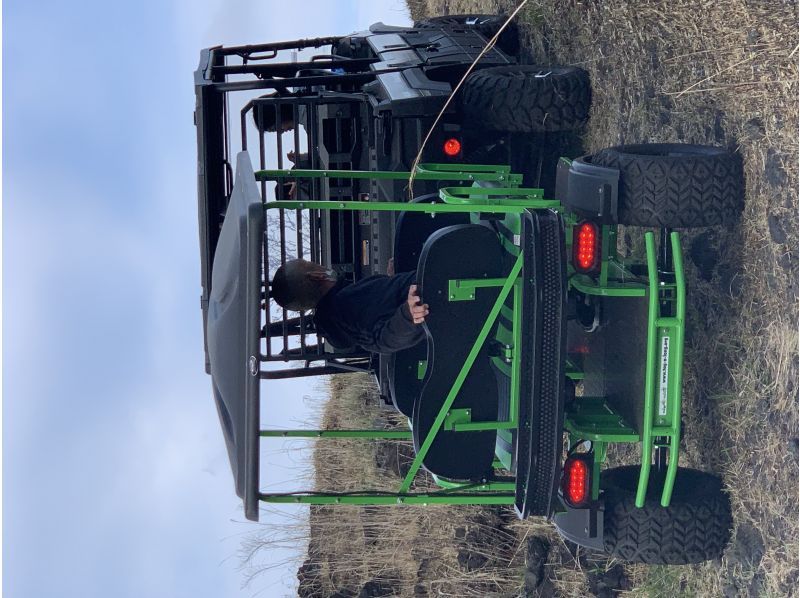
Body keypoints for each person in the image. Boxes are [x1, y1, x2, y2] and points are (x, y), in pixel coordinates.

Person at [270, 259, 429, 354]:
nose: (320, 265)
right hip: (434, 293)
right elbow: (381, 338)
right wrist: (408, 315)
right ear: (316, 276)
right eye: (312, 264)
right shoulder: (344, 309)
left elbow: (385, 306)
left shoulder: (344, 299)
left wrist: (391, 280)